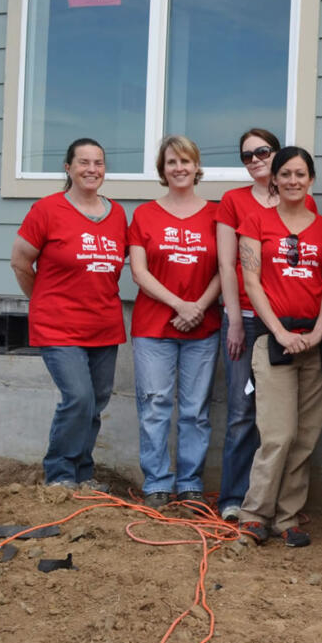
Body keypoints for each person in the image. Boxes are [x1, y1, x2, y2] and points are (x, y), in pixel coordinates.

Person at [235, 147, 322, 548]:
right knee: (277, 434)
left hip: (316, 342)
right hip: (274, 340)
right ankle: (254, 513)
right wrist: (279, 332)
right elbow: (252, 282)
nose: (294, 180)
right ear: (274, 180)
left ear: (311, 179)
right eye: (286, 174)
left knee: (305, 437)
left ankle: (288, 517)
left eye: (301, 174)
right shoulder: (255, 221)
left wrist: (318, 332)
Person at [10, 138, 126, 491]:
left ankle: (83, 473)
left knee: (94, 403)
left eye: (99, 163)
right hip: (58, 325)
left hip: (104, 324)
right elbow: (20, 261)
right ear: (68, 167)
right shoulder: (47, 210)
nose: (92, 169)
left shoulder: (117, 214)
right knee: (77, 397)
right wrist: (42, 300)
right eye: (84, 162)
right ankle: (59, 474)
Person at [215, 129, 318, 522]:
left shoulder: (302, 201)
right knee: (243, 410)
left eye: (263, 151)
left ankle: (277, 504)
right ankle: (234, 497)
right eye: (247, 155)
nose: (255, 159)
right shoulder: (235, 201)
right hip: (247, 316)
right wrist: (234, 319)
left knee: (280, 422)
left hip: (293, 323)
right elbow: (229, 264)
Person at [127, 136, 221, 510]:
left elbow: (223, 267)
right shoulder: (145, 215)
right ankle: (156, 483)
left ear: (197, 167)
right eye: (171, 162)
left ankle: (190, 483)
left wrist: (198, 306)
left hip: (204, 325)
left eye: (186, 161)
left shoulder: (217, 214)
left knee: (196, 410)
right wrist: (180, 304)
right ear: (162, 170)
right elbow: (138, 271)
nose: (179, 168)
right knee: (155, 406)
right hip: (153, 327)